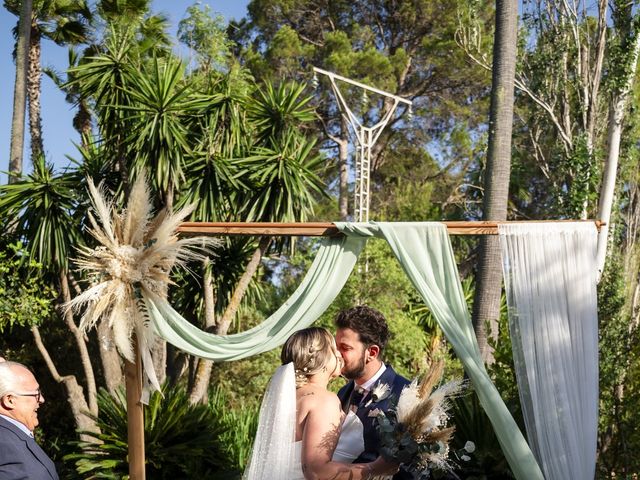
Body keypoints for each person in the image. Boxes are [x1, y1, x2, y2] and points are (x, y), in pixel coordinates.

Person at [244, 327, 397, 479]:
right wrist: (376, 468)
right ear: (321, 357)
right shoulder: (324, 400)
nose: (339, 354)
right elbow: (317, 472)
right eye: (333, 348)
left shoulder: (289, 399)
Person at [335, 305, 412, 480]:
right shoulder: (342, 393)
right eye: (335, 346)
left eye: (345, 348)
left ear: (372, 352)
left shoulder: (405, 393)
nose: (337, 354)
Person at [0, 361, 59, 480]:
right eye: (36, 394)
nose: (41, 399)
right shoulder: (4, 444)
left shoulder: (13, 435)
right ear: (10, 400)